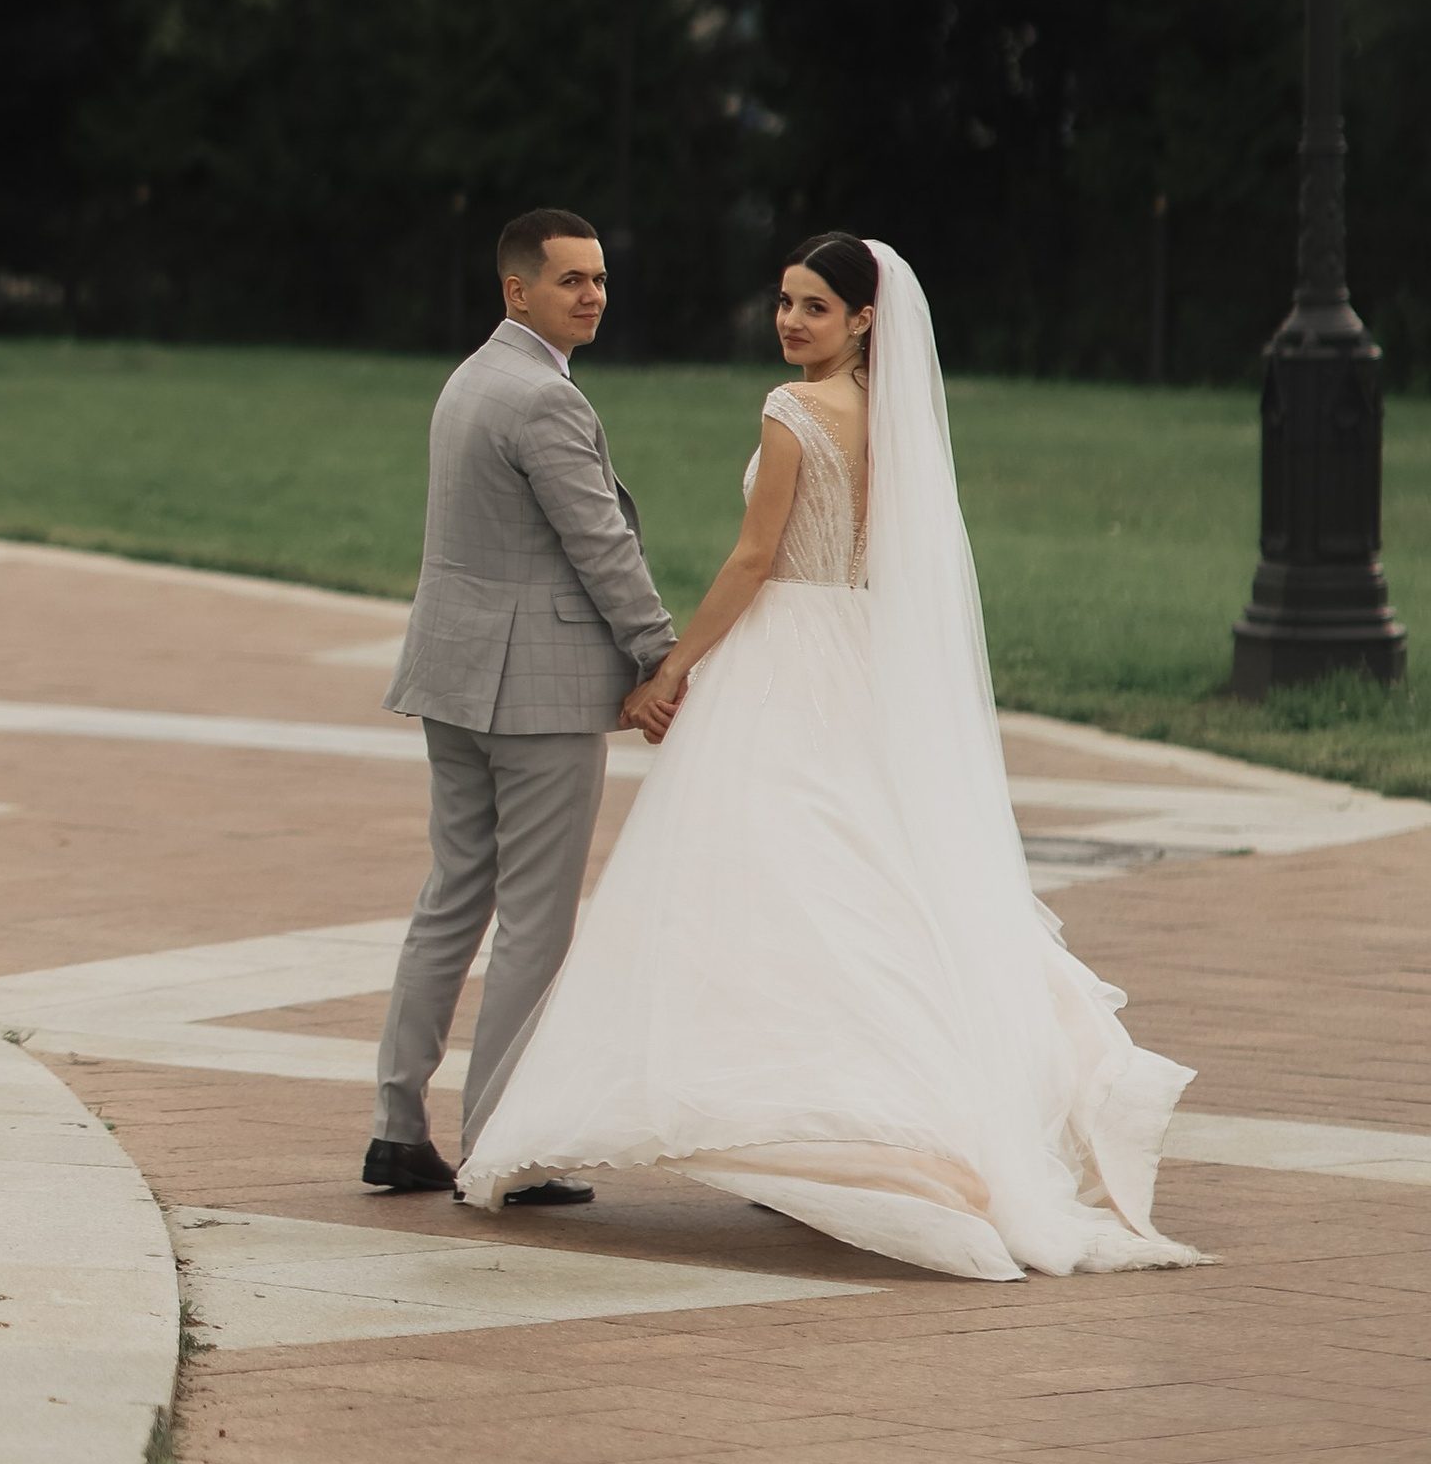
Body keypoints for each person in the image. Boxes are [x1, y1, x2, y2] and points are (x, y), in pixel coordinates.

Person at [456, 232, 1201, 1283]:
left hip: (787, 657)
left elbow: (755, 558)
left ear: (862, 321)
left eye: (814, 306)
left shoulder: (791, 408)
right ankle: (865, 1118)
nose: (791, 321)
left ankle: (805, 1117)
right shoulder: (898, 426)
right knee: (864, 876)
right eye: (784, 302)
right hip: (859, 656)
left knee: (761, 881)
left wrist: (671, 667)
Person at [364, 208, 676, 1201]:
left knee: (451, 899)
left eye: (598, 278)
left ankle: (394, 1126)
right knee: (535, 923)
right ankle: (504, 1146)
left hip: (455, 680)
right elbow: (600, 545)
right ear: (517, 290)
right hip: (531, 695)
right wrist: (660, 656)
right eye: (570, 280)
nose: (591, 295)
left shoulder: (469, 378)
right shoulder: (541, 398)